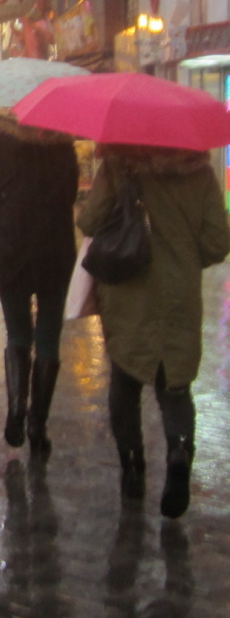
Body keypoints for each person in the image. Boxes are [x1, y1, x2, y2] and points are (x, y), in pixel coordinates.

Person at [78, 143, 230, 518]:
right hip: (179, 296)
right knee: (175, 387)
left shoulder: (119, 167)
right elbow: (217, 242)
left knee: (124, 384)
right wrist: (185, 256)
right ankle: (178, 454)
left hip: (129, 290)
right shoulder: (202, 174)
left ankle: (132, 469)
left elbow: (90, 222)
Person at [0, 112, 79, 456]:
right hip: (55, 244)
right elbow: (70, 193)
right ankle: (38, 425)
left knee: (18, 333)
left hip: (12, 242)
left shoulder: (2, 138)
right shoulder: (63, 143)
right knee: (49, 336)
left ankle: (16, 410)